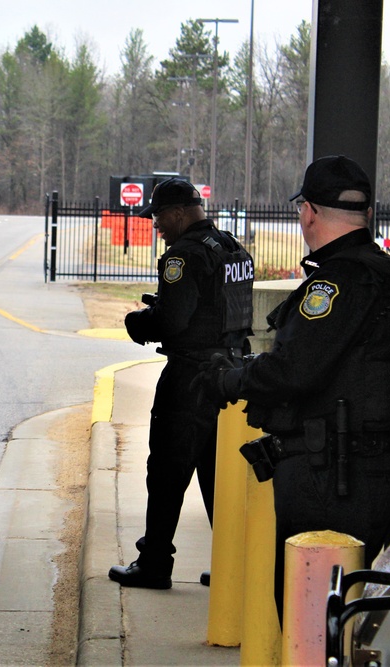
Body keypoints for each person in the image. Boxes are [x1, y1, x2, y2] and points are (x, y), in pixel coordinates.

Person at [193, 155, 390, 617]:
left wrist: (229, 380)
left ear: (309, 212)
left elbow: (293, 372)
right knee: (343, 611)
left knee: (309, 614)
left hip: (331, 477)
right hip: (371, 469)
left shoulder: (339, 283)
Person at [108, 178, 255, 589]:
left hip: (189, 379)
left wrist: (138, 322)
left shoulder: (183, 256)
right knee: (216, 473)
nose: (156, 226)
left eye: (157, 217)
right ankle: (233, 563)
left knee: (168, 470)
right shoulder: (231, 248)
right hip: (230, 376)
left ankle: (154, 562)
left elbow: (172, 322)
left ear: (177, 213)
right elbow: (217, 309)